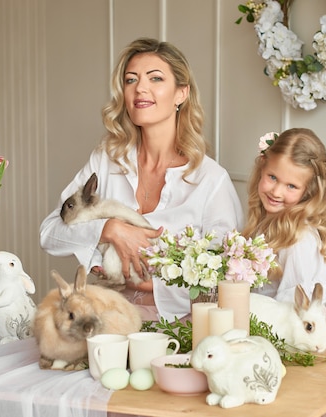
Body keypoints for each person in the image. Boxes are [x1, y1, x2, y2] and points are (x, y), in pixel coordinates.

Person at [40, 37, 243, 322]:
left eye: (156, 78)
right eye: (131, 79)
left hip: (180, 326)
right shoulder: (106, 160)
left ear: (181, 93)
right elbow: (50, 234)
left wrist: (144, 284)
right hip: (107, 318)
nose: (140, 88)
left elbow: (227, 278)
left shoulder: (210, 180)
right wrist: (109, 229)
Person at [242, 128, 326, 417]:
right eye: (273, 177)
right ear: (261, 169)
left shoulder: (299, 238)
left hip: (289, 338)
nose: (277, 191)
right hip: (268, 330)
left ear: (309, 192)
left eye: (292, 186)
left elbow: (291, 307)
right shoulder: (268, 223)